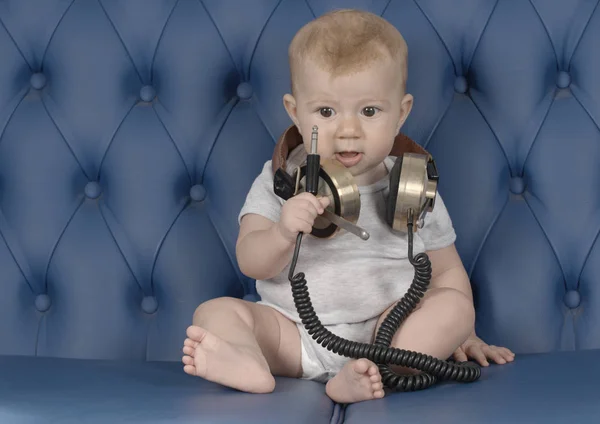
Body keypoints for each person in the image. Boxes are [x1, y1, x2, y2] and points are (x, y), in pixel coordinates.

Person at [181, 8, 514, 404]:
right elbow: (250, 260)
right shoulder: (281, 180)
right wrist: (282, 232)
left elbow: (446, 272)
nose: (348, 130)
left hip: (391, 336)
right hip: (293, 333)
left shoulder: (413, 185)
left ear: (401, 113)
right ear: (294, 112)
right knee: (216, 313)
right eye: (326, 112)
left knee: (456, 308)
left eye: (369, 111)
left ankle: (368, 375)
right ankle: (248, 361)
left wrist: (464, 333)